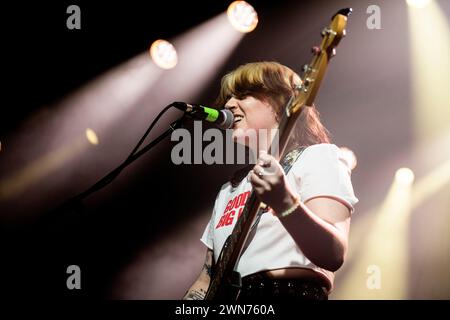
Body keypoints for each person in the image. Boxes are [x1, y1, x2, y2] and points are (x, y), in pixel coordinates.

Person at [183, 61, 358, 300]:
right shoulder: (229, 189)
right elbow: (206, 278)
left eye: (243, 95)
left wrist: (285, 202)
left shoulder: (318, 157)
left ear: (282, 101)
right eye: (228, 97)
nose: (228, 104)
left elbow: (333, 254)